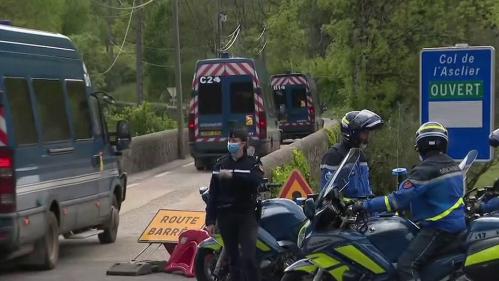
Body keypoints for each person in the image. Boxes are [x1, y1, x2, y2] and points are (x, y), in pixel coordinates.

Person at [355, 122, 466, 281]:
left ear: (420, 146)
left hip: (439, 228)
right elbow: (429, 195)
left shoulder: (425, 170)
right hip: (455, 224)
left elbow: (397, 200)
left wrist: (364, 206)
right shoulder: (452, 165)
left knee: (406, 265)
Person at [205, 127, 263, 281]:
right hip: (226, 216)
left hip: (246, 215)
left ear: (243, 143)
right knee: (233, 260)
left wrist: (234, 176)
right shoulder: (221, 165)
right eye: (230, 141)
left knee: (248, 257)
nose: (231, 144)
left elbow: (256, 181)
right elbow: (213, 194)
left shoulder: (252, 163)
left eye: (235, 141)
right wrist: (210, 220)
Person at [320, 109, 384, 197]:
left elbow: (367, 190)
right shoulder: (333, 156)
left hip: (364, 208)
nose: (367, 137)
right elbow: (327, 194)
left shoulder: (361, 157)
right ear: (352, 133)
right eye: (364, 133)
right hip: (346, 210)